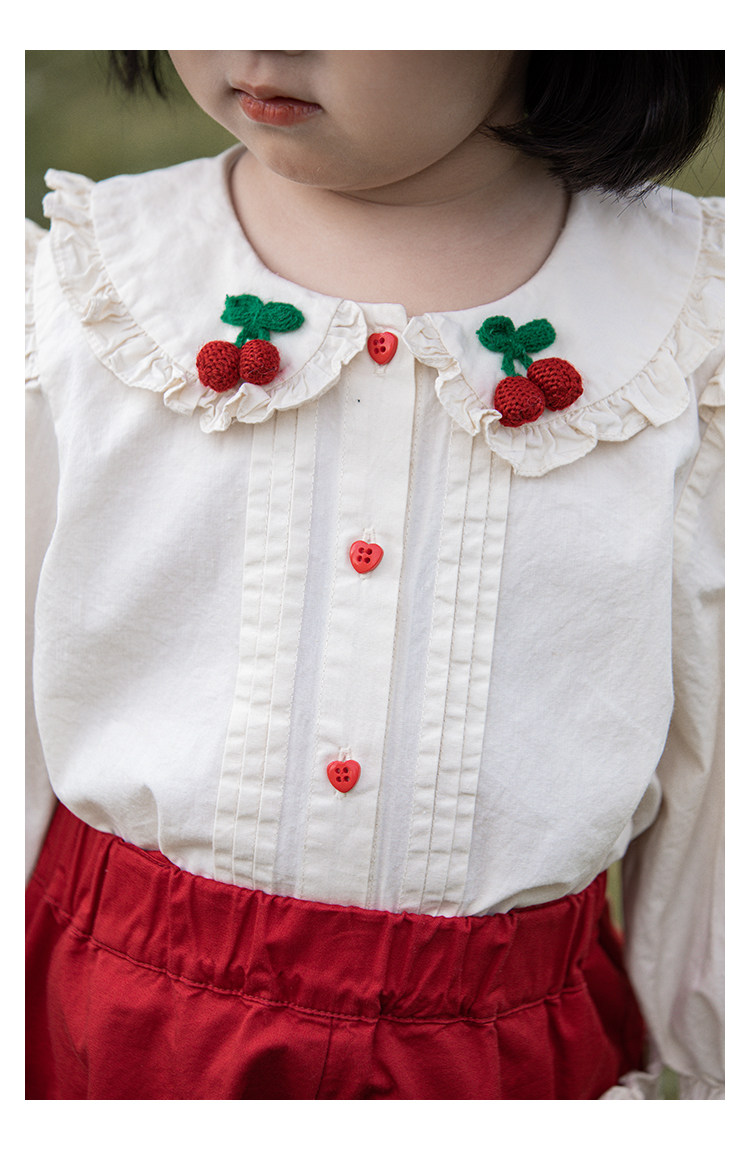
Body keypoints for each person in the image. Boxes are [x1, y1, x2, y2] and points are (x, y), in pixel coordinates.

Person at [25, 50, 724, 1100]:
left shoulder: (690, 328)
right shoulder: (91, 291)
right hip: (114, 1037)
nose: (257, 40)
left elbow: (722, 760)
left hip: (498, 1069)